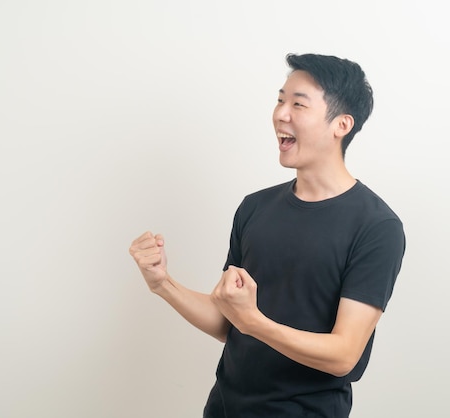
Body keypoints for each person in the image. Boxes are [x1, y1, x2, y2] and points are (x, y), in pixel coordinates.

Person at [129, 53, 406, 418]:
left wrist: (254, 322)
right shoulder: (254, 208)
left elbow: (343, 355)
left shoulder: (377, 227)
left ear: (341, 124)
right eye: (279, 100)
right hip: (223, 408)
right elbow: (228, 322)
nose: (281, 114)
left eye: (298, 104)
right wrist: (163, 283)